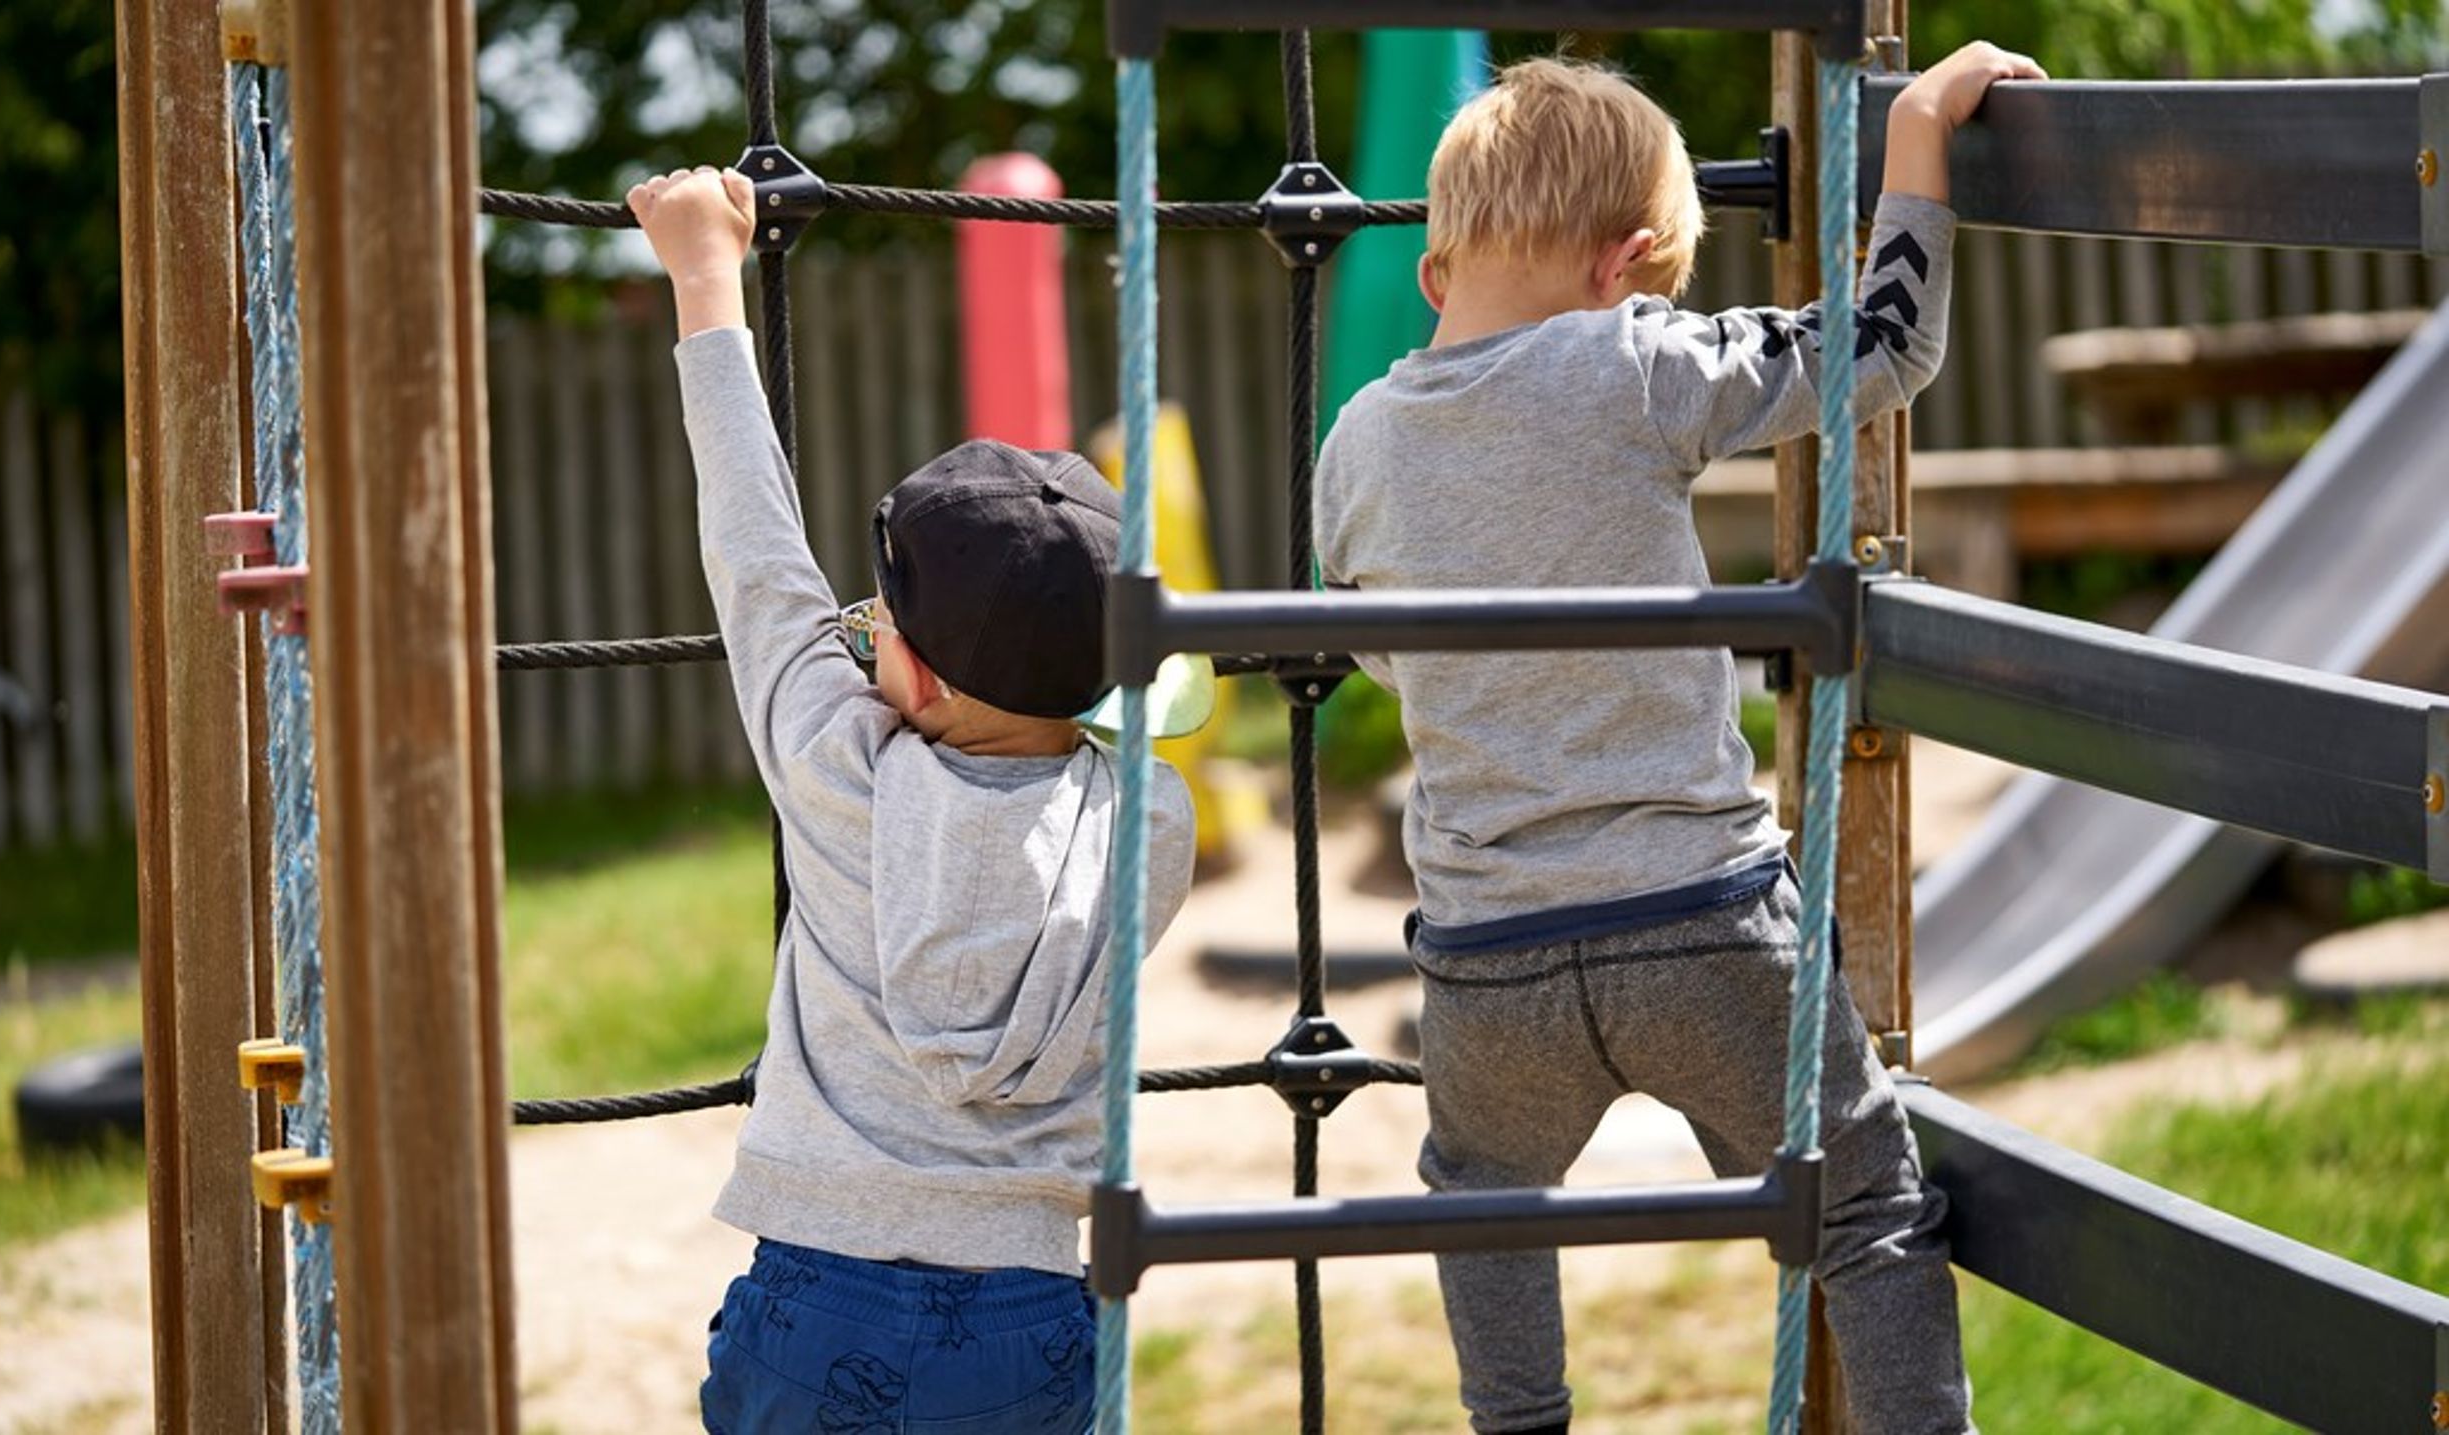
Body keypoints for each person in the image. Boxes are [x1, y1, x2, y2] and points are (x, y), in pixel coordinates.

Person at [1313, 44, 2045, 1435]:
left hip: (1486, 960)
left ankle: (1520, 1420)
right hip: (1701, 923)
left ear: (1431, 274)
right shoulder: (1636, 361)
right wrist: (1921, 128)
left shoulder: (1355, 443)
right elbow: (1884, 345)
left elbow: (1375, 648)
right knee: (1866, 1209)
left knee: (1481, 1205)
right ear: (1626, 265)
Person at [627, 164, 1199, 1435]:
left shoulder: (840, 767)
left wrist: (704, 273)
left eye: (878, 617)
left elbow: (756, 549)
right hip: (1044, 1308)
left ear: (915, 672)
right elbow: (1139, 727)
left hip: (820, 1301)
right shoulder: (1149, 820)